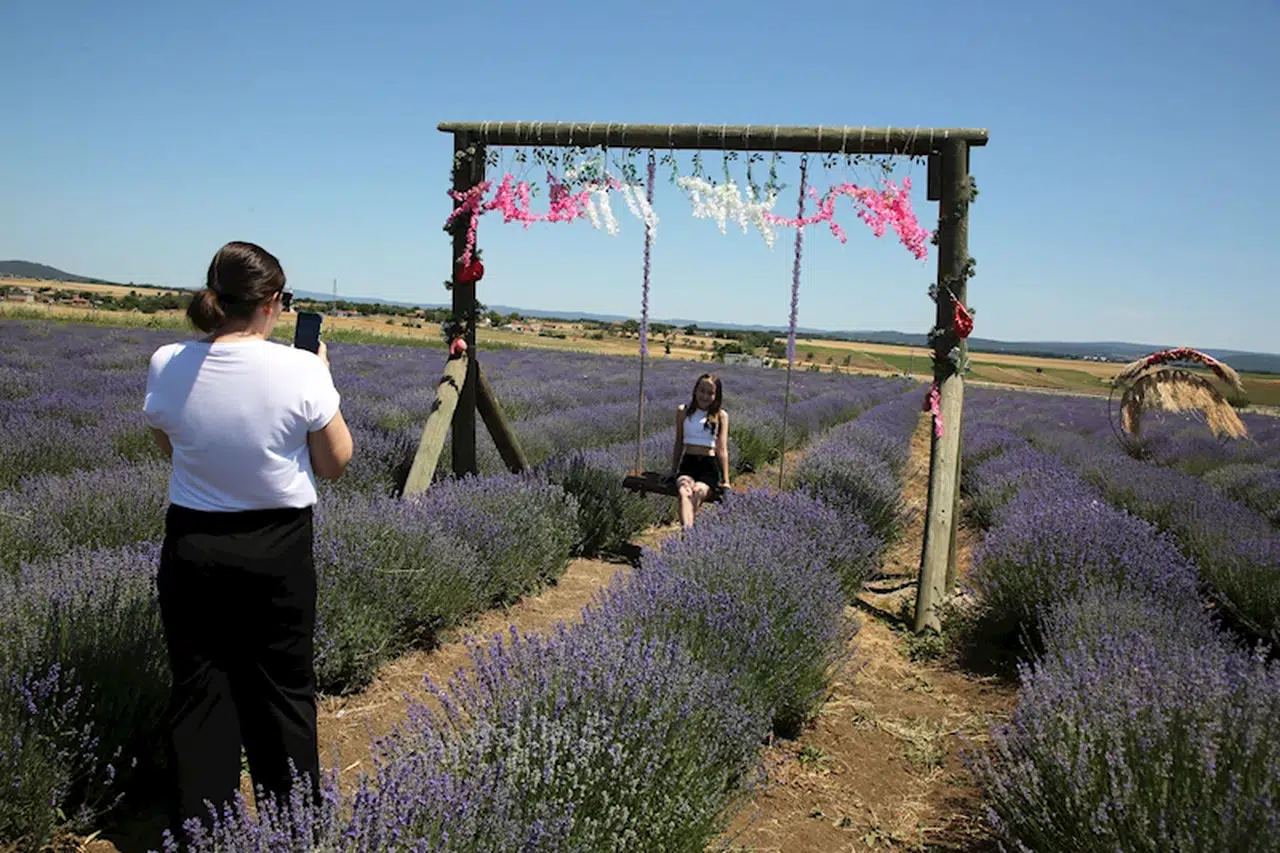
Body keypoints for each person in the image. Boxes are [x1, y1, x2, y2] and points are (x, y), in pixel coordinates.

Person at [142, 241, 354, 835]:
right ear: (271, 303)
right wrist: (322, 376)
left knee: (200, 686)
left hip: (192, 544)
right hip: (277, 548)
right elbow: (335, 462)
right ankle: (292, 831)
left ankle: (201, 834)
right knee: (283, 691)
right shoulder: (302, 367)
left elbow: (170, 448)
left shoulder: (167, 361)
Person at [671, 372, 730, 528]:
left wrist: (726, 480)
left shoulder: (720, 415)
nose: (704, 396)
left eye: (710, 393)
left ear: (716, 396)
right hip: (688, 464)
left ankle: (686, 534)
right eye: (701, 391)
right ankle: (688, 534)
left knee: (697, 491)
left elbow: (722, 449)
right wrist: (673, 470)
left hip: (708, 467)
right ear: (695, 391)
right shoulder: (683, 411)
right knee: (684, 491)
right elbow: (678, 443)